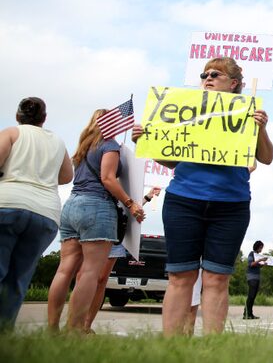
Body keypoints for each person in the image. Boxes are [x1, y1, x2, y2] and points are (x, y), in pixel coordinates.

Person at [132, 57, 273, 335]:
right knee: (180, 276)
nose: (207, 78)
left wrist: (261, 129)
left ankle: (212, 344)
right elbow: (173, 161)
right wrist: (147, 142)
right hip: (184, 200)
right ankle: (171, 346)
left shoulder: (247, 115)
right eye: (204, 74)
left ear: (233, 84)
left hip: (231, 206)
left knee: (217, 278)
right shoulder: (187, 113)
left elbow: (266, 157)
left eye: (215, 74)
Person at [47, 108, 146, 332]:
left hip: (72, 204)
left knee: (65, 270)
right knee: (91, 272)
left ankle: (52, 328)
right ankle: (74, 330)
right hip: (97, 205)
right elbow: (108, 178)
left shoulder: (83, 148)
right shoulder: (109, 145)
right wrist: (131, 204)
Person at [0, 98, 73, 330]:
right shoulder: (58, 142)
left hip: (8, 203)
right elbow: (66, 177)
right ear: (44, 118)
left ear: (17, 115)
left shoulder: (11, 133)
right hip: (45, 213)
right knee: (18, 278)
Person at [80, 187, 161, 332]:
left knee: (101, 280)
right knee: (85, 276)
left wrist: (147, 197)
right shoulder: (104, 181)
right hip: (97, 225)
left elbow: (129, 205)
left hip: (117, 232)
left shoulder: (124, 182)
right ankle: (74, 323)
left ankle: (86, 326)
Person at [244, 240, 268, 320]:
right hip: (251, 277)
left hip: (257, 277)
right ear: (257, 247)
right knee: (251, 295)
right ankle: (246, 314)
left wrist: (263, 264)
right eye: (260, 247)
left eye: (262, 248)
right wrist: (260, 260)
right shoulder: (252, 254)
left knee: (253, 296)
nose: (261, 249)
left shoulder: (258, 255)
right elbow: (251, 264)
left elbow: (257, 266)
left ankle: (250, 314)